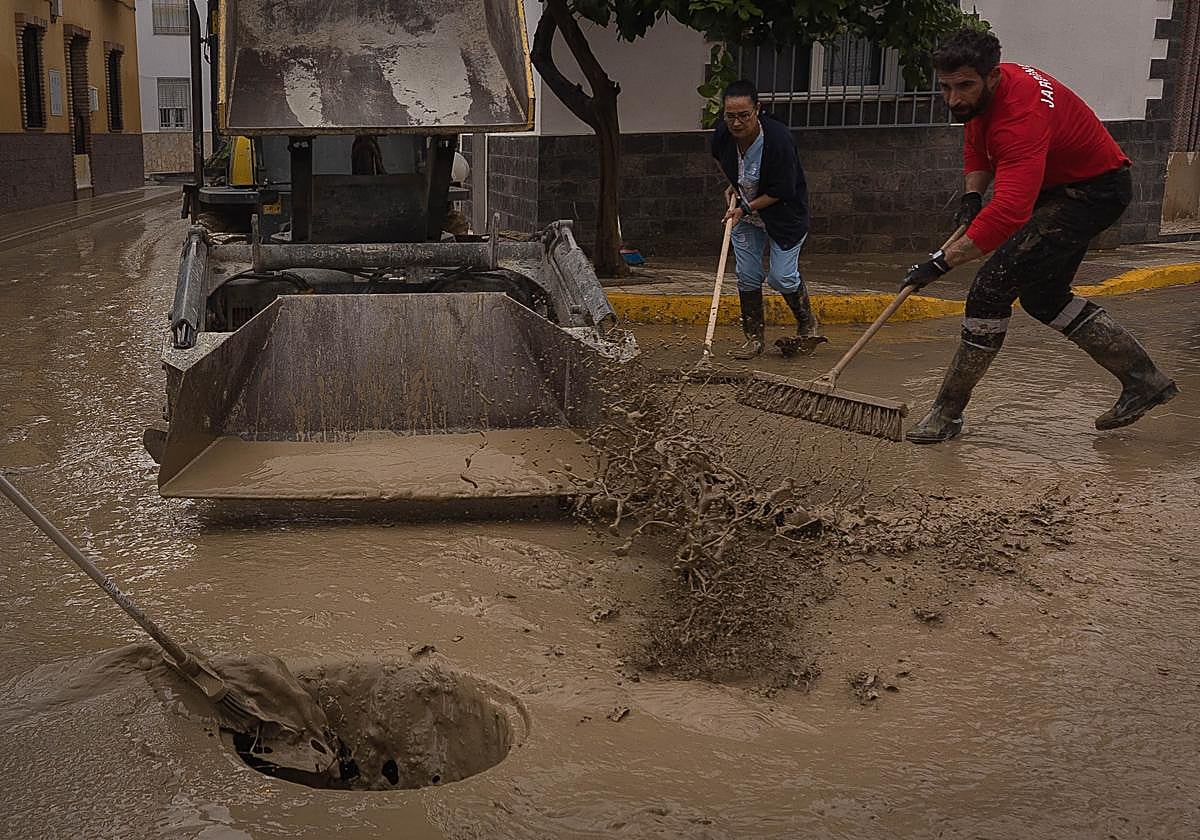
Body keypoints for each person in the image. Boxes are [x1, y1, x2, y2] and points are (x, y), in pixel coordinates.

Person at [902, 28, 1178, 444]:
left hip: (1093, 192)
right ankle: (1144, 382)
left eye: (964, 86)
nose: (954, 98)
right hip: (1062, 189)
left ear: (992, 77)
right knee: (1044, 298)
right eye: (945, 87)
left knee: (989, 289)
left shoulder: (1021, 117)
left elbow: (1010, 212)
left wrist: (940, 262)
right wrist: (973, 195)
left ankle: (947, 413)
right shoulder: (988, 95)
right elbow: (976, 139)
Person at [711, 80, 823, 359]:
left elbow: (782, 190)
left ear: (757, 110)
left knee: (782, 277)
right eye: (730, 116)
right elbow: (720, 159)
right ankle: (753, 339)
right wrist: (734, 186)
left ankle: (807, 323)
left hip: (783, 215)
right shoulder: (722, 136)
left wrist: (745, 207)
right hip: (747, 217)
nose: (736, 123)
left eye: (743, 115)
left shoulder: (779, 139)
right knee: (747, 275)